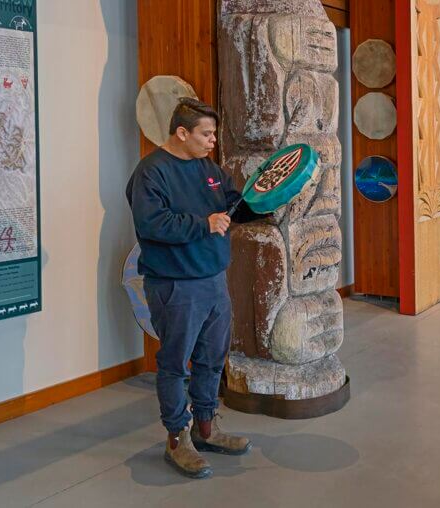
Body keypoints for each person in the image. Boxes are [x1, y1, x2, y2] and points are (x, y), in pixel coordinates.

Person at [126, 97, 264, 478]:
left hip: (214, 280)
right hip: (175, 286)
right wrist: (203, 224)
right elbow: (153, 225)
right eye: (206, 133)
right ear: (182, 133)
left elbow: (234, 207)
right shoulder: (150, 173)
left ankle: (206, 429)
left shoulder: (210, 170)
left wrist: (267, 202)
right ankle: (178, 439)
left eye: (214, 133)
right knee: (175, 365)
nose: (213, 141)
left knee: (211, 360)